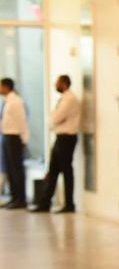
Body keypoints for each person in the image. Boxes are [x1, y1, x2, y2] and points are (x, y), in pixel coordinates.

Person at [32, 74, 81, 213]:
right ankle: (45, 202)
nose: (55, 85)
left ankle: (69, 204)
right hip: (60, 137)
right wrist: (53, 119)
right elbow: (53, 118)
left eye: (57, 83)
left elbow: (56, 118)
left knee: (66, 170)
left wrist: (53, 120)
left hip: (67, 138)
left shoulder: (70, 99)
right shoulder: (64, 99)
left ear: (64, 84)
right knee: (53, 170)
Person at [1, 78, 29, 209]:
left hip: (15, 138)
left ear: (6, 87)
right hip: (7, 136)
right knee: (10, 169)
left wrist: (24, 140)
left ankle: (21, 198)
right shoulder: (7, 102)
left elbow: (22, 122)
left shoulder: (16, 102)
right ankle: (14, 197)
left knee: (17, 169)